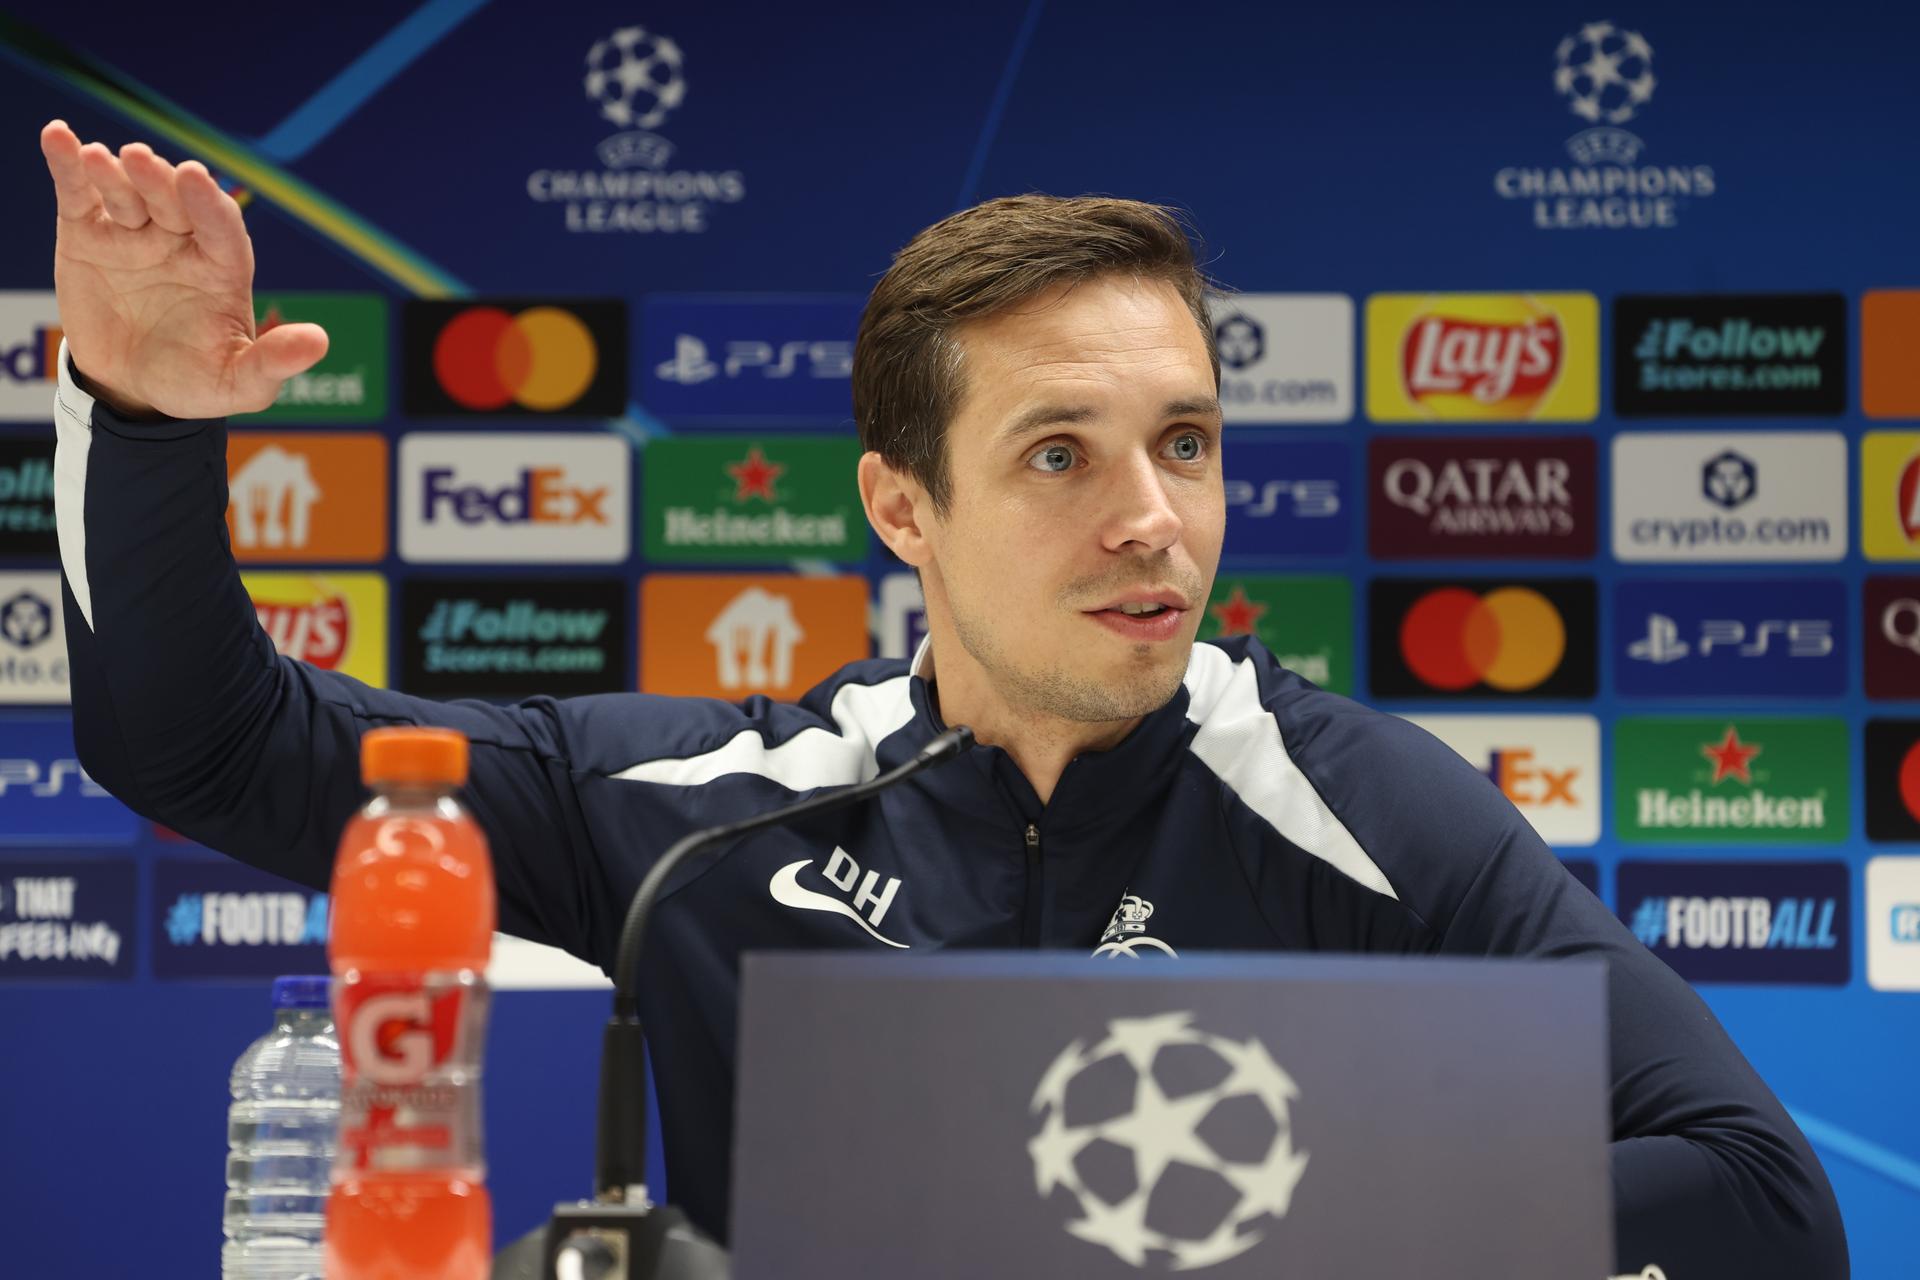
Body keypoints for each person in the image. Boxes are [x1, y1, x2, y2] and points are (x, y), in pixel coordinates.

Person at [36, 118, 1846, 1277]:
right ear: (903, 506)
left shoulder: (1359, 807)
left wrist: (1279, 1234)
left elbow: (1766, 1204)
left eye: (1187, 444)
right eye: (1061, 455)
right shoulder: (703, 814)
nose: (1155, 519)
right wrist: (145, 421)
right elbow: (201, 746)